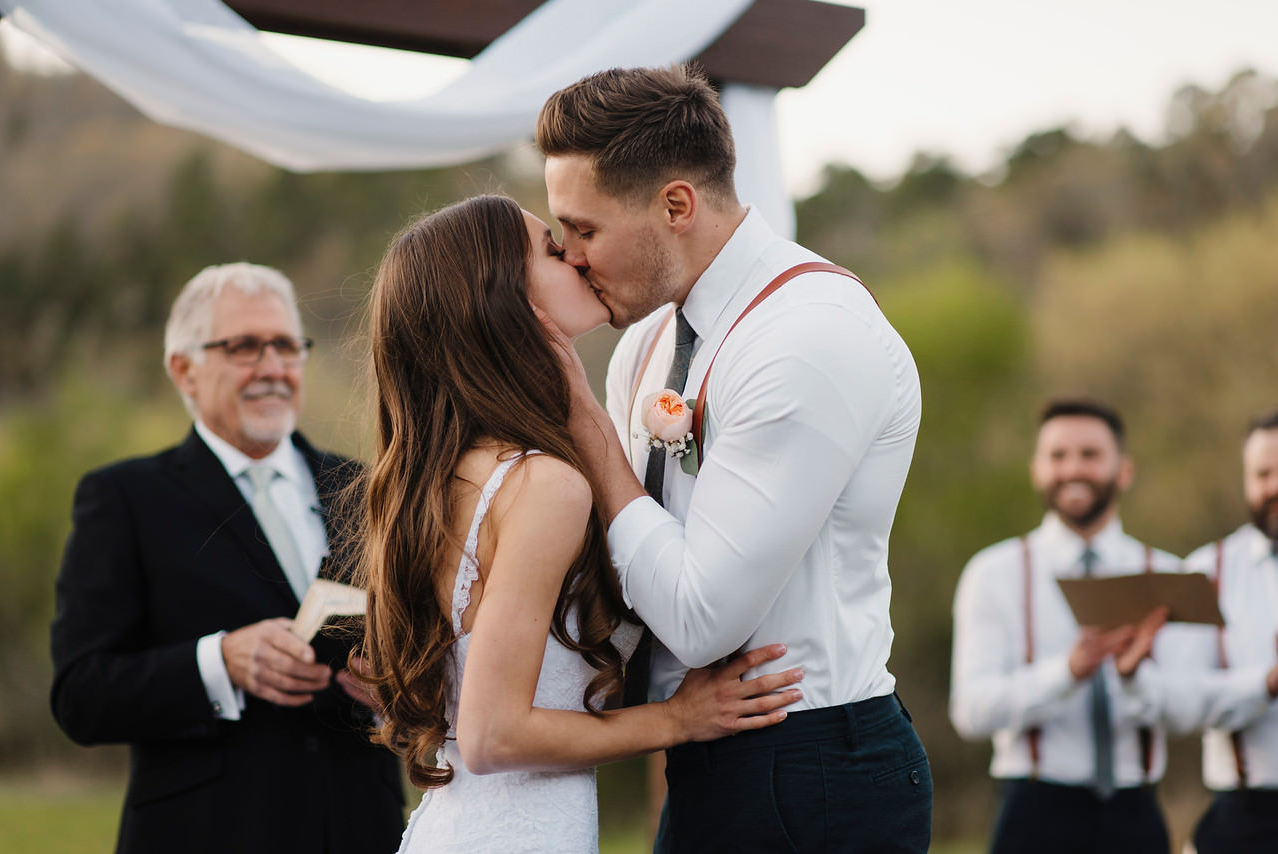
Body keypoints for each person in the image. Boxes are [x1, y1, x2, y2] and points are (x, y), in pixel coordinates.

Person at [535, 64, 933, 853]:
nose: (572, 258)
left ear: (675, 204)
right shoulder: (646, 341)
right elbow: (620, 568)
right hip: (704, 754)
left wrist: (585, 427)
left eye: (584, 230)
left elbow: (699, 619)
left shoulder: (807, 334)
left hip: (815, 767)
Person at [354, 194, 804, 854]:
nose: (574, 255)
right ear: (501, 297)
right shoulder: (541, 484)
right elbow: (491, 736)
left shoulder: (442, 478)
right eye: (548, 248)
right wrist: (675, 719)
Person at [49, 263, 405, 854]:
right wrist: (221, 662)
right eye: (244, 346)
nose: (272, 367)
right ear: (183, 369)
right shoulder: (124, 499)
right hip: (209, 831)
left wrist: (394, 686)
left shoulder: (367, 489)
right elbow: (80, 696)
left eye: (286, 346)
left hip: (359, 825)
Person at [949, 398, 1178, 854]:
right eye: (1057, 456)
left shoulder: (1168, 574)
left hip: (1137, 811)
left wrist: (1134, 679)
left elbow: (1191, 709)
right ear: (1037, 469)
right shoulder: (993, 572)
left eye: (1090, 454)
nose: (1072, 468)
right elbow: (970, 712)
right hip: (1033, 812)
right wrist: (1066, 672)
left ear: (1124, 470)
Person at [1156, 409, 1278, 853]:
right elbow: (1180, 703)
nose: (1275, 486)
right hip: (1244, 822)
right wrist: (1266, 683)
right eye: (1264, 473)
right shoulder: (1207, 571)